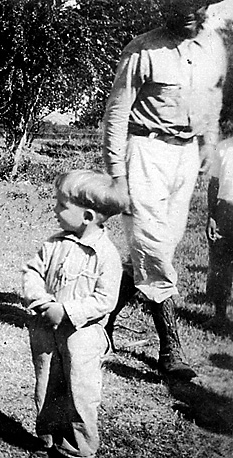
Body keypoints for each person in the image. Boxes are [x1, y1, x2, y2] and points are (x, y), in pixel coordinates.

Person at [101, 0, 227, 381]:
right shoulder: (143, 50)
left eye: (198, 4)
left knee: (156, 248)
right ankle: (170, 346)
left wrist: (208, 143)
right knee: (152, 247)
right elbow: (116, 114)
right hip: (145, 152)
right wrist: (117, 175)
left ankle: (103, 319)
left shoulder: (213, 49)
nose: (190, 12)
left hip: (184, 156)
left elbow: (211, 100)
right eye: (180, 4)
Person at [23, 170, 127, 458]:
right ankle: (48, 435)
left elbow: (105, 300)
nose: (55, 209)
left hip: (82, 335)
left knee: (79, 391)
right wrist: (42, 301)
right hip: (45, 328)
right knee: (46, 382)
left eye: (61, 205)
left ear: (88, 217)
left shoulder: (106, 255)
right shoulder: (54, 244)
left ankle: (78, 447)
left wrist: (67, 311)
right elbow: (32, 272)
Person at [205, 121, 233, 327]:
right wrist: (211, 217)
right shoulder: (223, 148)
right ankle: (219, 315)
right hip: (225, 210)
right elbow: (213, 184)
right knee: (220, 263)